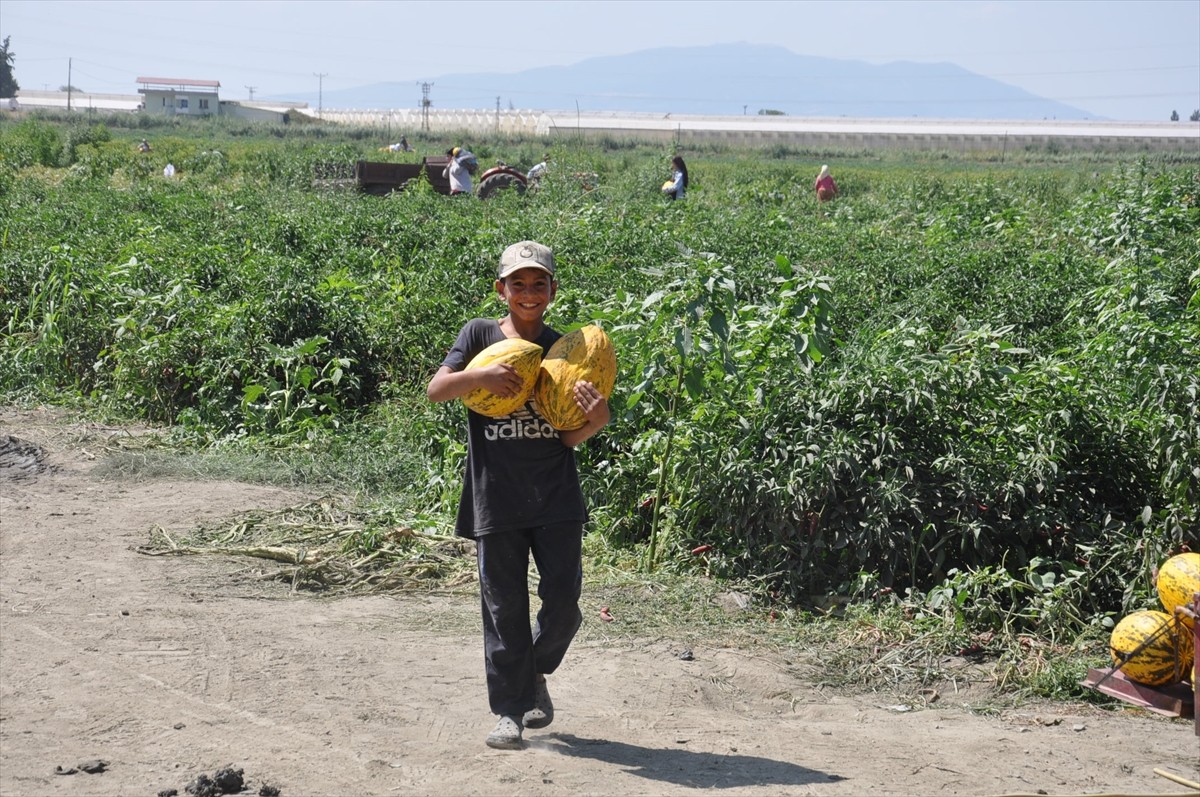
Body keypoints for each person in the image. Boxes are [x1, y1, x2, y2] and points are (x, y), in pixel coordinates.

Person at [426, 240, 610, 751]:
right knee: (503, 609)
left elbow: (567, 434)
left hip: (555, 497)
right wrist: (479, 375)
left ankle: (533, 674)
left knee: (564, 605)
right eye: (518, 284)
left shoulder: (565, 349)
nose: (528, 293)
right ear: (501, 288)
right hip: (496, 498)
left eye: (539, 283)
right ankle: (509, 711)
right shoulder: (479, 335)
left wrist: (595, 422)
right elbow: (436, 389)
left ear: (552, 289)